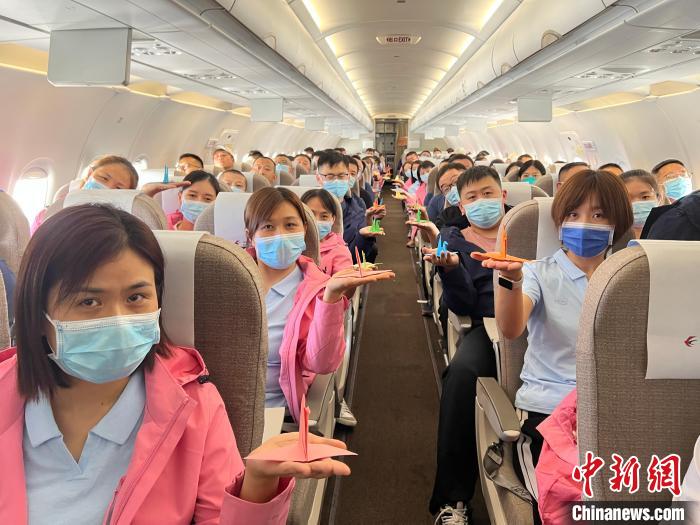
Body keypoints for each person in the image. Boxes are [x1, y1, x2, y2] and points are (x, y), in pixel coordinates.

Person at [1, 204, 351, 524]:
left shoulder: (195, 405)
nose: (119, 320)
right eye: (89, 301)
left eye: (136, 297)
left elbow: (320, 360)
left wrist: (257, 484)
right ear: (38, 313)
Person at [478, 169, 632, 521]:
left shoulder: (629, 280)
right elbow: (511, 328)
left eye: (599, 215)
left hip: (612, 413)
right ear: (560, 221)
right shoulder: (538, 272)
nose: (585, 224)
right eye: (573, 214)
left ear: (617, 222)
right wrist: (510, 279)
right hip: (548, 411)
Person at [244, 188, 393, 415]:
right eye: (268, 226)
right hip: (216, 406)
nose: (280, 235)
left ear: (304, 229)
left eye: (290, 225)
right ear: (250, 236)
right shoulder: (226, 281)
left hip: (278, 412)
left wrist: (330, 297)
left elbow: (322, 363)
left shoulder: (317, 289)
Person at [418, 167, 512, 524]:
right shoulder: (453, 239)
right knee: (460, 375)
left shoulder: (527, 229)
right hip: (490, 326)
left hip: (541, 323)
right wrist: (452, 271)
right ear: (461, 204)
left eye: (488, 193)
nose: (481, 202)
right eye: (472, 197)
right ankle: (452, 499)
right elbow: (461, 305)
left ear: (503, 196)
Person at [31, 156, 188, 234]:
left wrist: (143, 198)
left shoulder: (119, 229)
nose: (107, 188)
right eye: (103, 178)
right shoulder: (49, 215)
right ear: (90, 174)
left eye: (118, 188)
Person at [315, 150, 384, 264]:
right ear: (319, 178)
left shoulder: (358, 207)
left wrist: (362, 236)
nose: (336, 181)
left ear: (348, 177)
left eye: (341, 176)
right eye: (330, 176)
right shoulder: (308, 207)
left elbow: (355, 257)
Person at [620, 169, 659, 238]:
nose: (637, 203)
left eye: (645, 197)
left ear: (658, 198)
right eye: (628, 199)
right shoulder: (613, 241)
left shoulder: (673, 232)